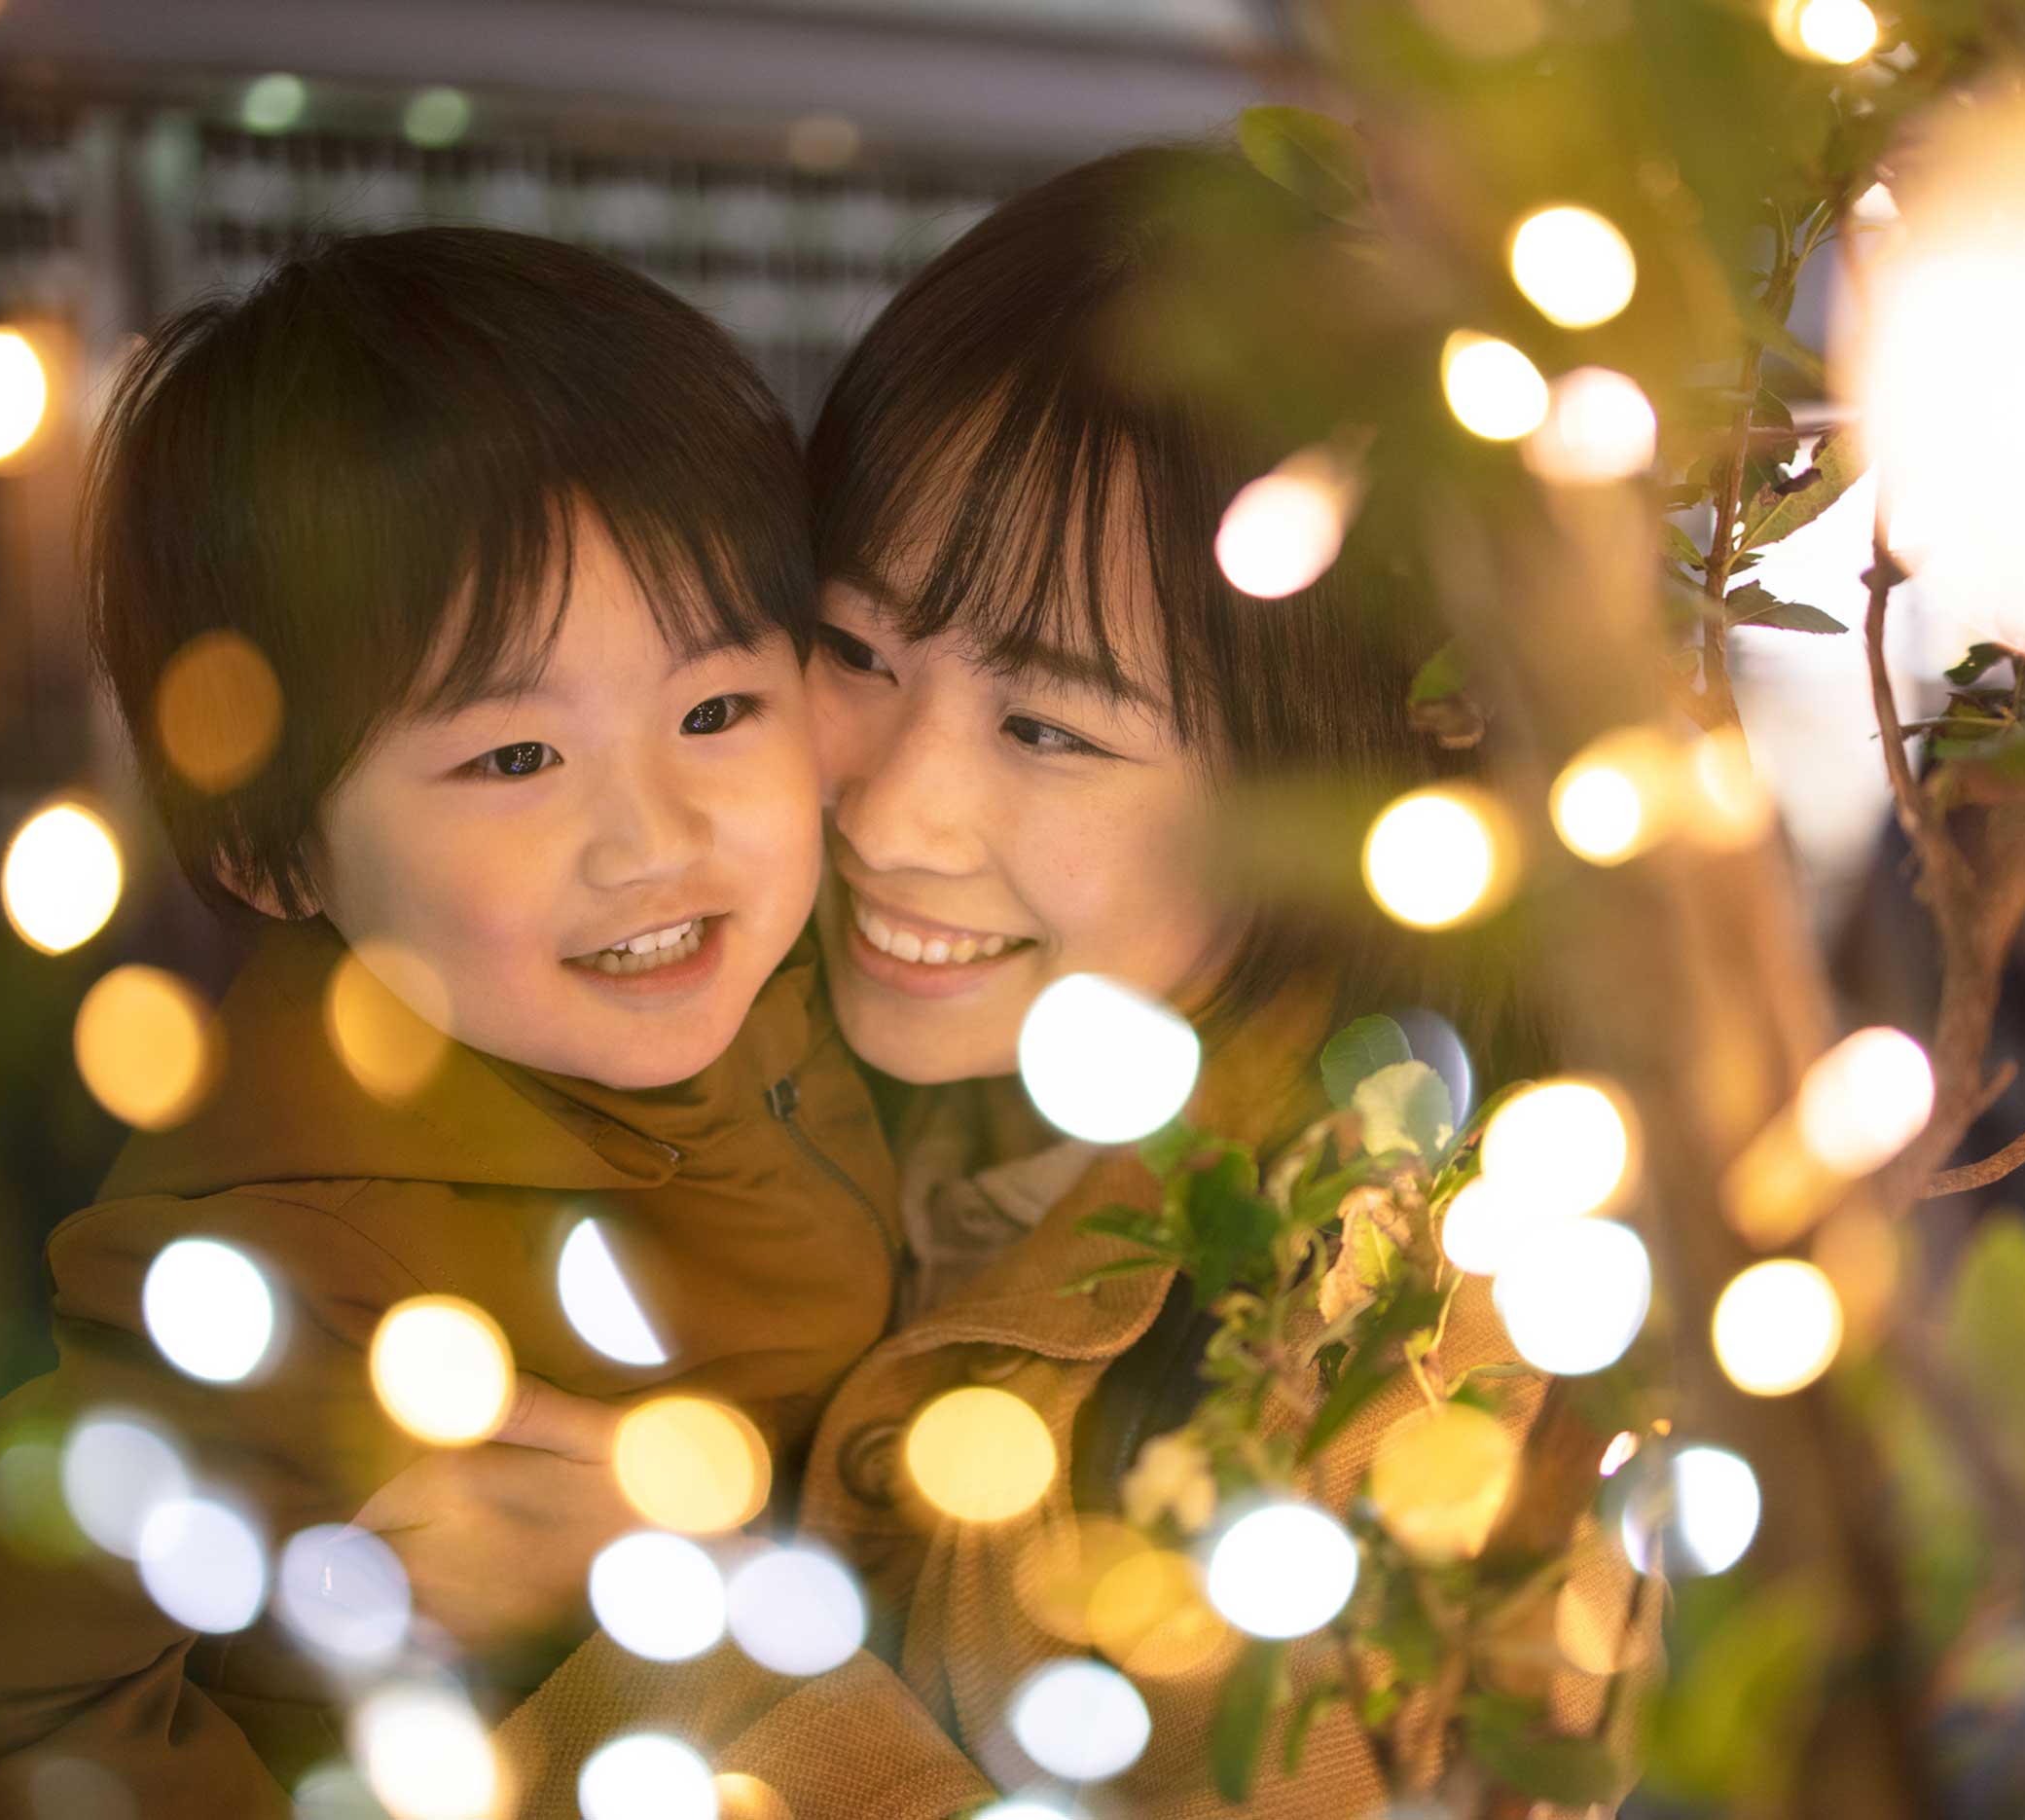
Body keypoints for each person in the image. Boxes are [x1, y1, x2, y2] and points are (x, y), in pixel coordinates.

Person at [502, 147, 1653, 1818]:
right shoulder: (706, 1049)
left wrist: (676, 1629)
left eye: (1048, 726)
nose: (894, 809)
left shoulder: (1414, 1363)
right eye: (855, 652)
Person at [0, 227, 914, 1815]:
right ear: (269, 845)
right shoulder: (287, 1264)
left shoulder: (796, 968)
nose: (655, 839)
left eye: (715, 710)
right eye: (513, 759)